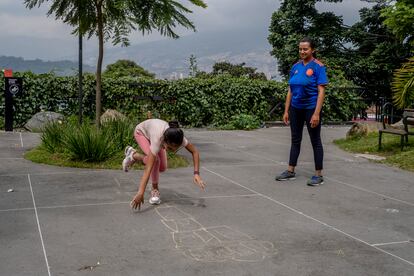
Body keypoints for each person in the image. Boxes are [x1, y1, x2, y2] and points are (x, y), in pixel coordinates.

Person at [275, 37, 328, 186]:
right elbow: (290, 90)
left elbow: (321, 92)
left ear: (312, 50)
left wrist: (316, 113)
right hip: (295, 109)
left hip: (311, 108)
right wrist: (286, 110)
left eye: (305, 49)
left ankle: (318, 174)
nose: (302, 51)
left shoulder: (318, 66)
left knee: (315, 141)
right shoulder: (295, 67)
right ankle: (290, 171)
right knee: (295, 140)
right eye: (300, 49)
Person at [123, 119, 206, 210]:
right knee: (155, 161)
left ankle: (133, 155)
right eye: (170, 148)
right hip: (141, 133)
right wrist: (140, 193)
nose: (173, 151)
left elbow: (194, 152)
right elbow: (148, 169)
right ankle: (155, 190)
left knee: (162, 168)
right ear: (165, 141)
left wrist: (196, 173)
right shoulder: (158, 140)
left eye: (176, 149)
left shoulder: (178, 137)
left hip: (155, 133)